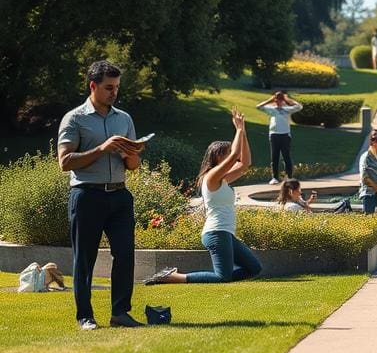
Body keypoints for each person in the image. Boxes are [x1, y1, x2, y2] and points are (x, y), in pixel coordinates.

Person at [58, 60, 144, 330]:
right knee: (85, 259)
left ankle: (120, 313)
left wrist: (131, 154)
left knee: (125, 255)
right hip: (87, 195)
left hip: (119, 196)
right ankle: (85, 316)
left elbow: (133, 166)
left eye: (117, 87)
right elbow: (65, 161)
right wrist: (103, 148)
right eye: (108, 87)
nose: (114, 92)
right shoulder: (74, 119)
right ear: (93, 86)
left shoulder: (124, 118)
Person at [143, 108, 262, 286]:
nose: (231, 156)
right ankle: (174, 277)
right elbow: (237, 155)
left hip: (226, 234)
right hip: (216, 233)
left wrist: (242, 131)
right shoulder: (211, 178)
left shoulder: (222, 179)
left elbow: (245, 164)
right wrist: (237, 129)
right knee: (222, 277)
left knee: (254, 268)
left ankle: (222, 278)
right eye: (227, 153)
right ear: (217, 157)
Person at [256, 90, 303, 185]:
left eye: (281, 100)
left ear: (283, 101)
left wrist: (287, 99)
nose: (279, 101)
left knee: (287, 157)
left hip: (285, 135)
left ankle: (289, 177)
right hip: (274, 135)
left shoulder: (287, 109)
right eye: (277, 100)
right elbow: (258, 107)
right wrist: (270, 100)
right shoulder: (271, 109)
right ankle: (275, 178)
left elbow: (299, 106)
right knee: (274, 157)